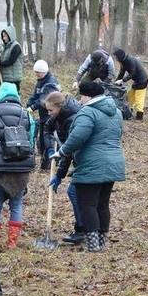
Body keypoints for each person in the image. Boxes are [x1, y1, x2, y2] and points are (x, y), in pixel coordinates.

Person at [53, 81, 125, 252]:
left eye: (81, 96)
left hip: (92, 164)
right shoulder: (116, 112)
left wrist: (61, 151)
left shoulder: (87, 112)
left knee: (88, 204)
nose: (79, 100)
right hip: (114, 163)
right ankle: (101, 240)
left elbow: (78, 137)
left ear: (87, 96)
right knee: (102, 204)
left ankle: (93, 244)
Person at [0, 82, 36, 248]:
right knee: (16, 204)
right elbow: (31, 140)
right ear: (16, 95)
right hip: (21, 167)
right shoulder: (26, 115)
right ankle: (12, 242)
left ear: (0, 95)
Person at [43, 91, 84, 244]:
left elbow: (68, 151)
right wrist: (49, 149)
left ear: (59, 106)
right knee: (78, 193)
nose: (48, 113)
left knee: (74, 192)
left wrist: (59, 175)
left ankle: (83, 229)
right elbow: (46, 129)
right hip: (76, 158)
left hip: (83, 159)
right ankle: (85, 229)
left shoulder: (72, 119)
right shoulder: (57, 116)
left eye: (50, 110)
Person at [26, 59, 60, 171]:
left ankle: (50, 164)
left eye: (37, 72)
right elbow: (35, 95)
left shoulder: (51, 83)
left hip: (50, 115)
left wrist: (32, 107)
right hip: (42, 115)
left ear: (43, 72)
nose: (35, 74)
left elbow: (43, 99)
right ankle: (44, 163)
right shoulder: (40, 81)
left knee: (48, 139)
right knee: (41, 139)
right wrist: (28, 104)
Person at [113, 48, 148, 120]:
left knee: (139, 99)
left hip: (142, 81)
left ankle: (139, 116)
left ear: (120, 56)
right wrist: (116, 82)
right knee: (129, 96)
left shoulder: (130, 60)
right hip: (137, 81)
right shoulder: (123, 62)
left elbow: (133, 73)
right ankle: (130, 110)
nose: (115, 58)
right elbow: (121, 72)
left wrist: (123, 81)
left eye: (116, 57)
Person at [0, 25, 23, 92]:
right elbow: (3, 58)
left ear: (10, 35)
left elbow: (11, 61)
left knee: (13, 96)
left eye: (5, 36)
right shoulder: (6, 47)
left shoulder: (16, 47)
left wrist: (0, 63)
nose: (4, 38)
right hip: (5, 77)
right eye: (3, 36)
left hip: (13, 78)